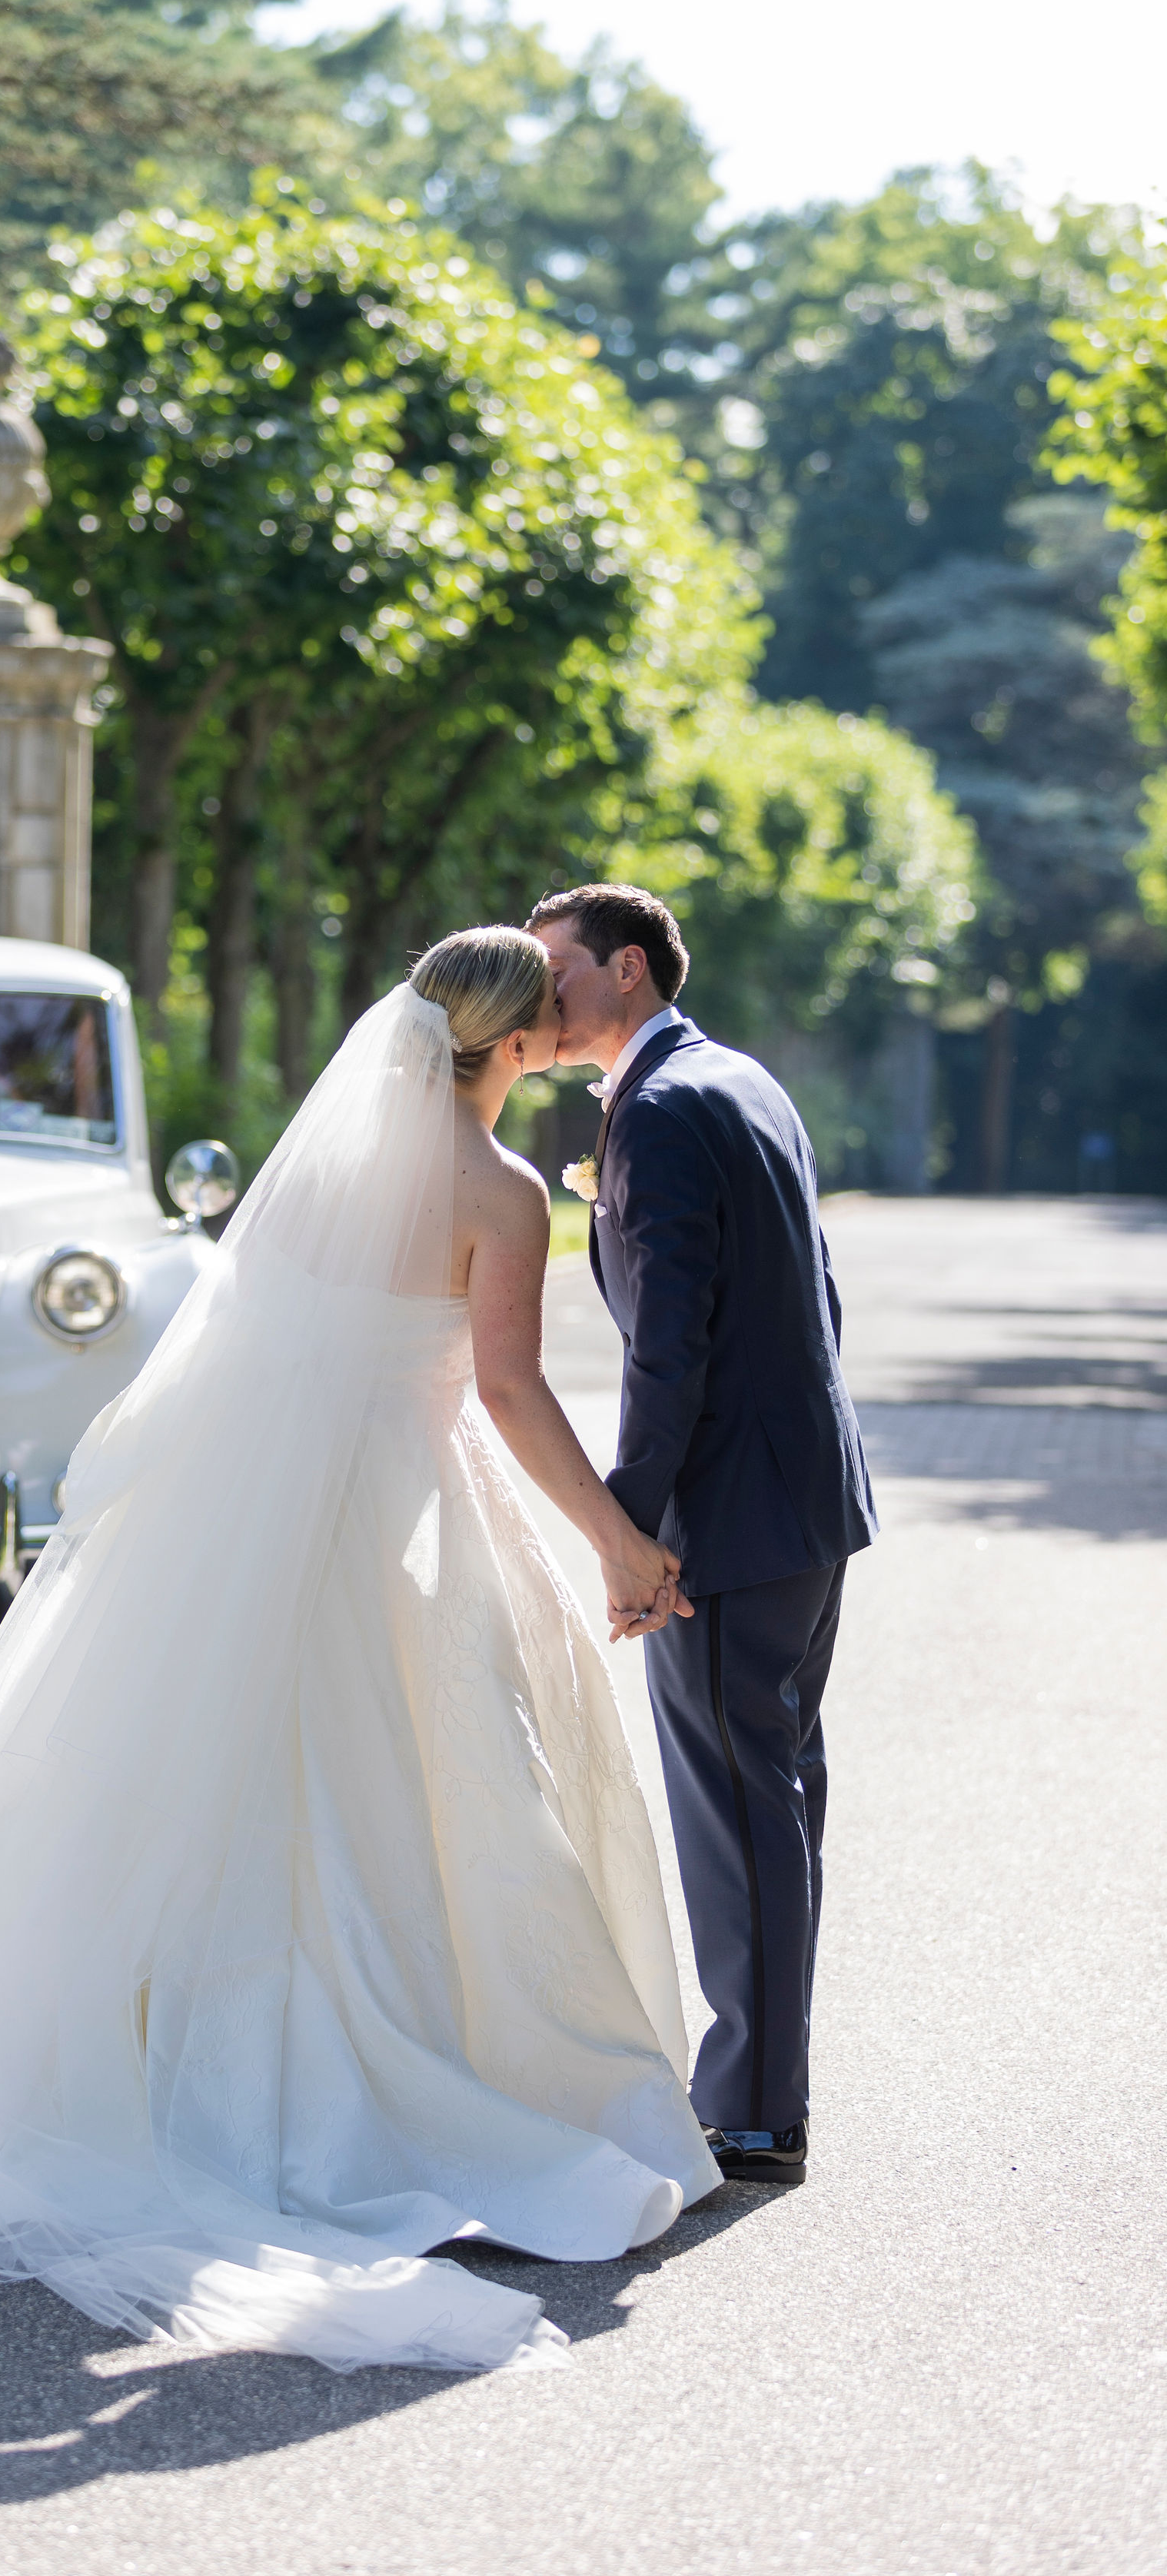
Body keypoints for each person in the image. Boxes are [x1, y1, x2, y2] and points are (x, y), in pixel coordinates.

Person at [0, 926, 722, 2374]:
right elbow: (503, 1391)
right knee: (426, 1808)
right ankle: (398, 2101)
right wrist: (616, 1544)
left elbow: (257, 1342)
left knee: (217, 1794)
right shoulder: (501, 1197)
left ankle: (156, 2082)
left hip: (251, 1514)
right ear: (511, 1047)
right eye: (546, 1022)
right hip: (404, 1522)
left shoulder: (322, 1170)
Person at [528, 885, 877, 2187]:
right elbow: (817, 1294)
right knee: (773, 1798)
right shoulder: (736, 1079)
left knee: (741, 1807)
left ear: (626, 969)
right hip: (803, 1504)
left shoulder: (664, 1108)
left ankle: (754, 2111)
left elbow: (668, 1350)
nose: (537, 990)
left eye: (553, 969)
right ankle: (759, 2085)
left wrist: (632, 1529)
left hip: (728, 1520)